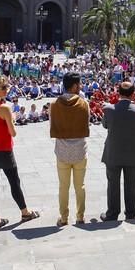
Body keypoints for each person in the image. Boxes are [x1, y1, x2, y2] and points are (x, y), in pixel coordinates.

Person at [0, 75, 39, 230]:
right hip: (4, 151)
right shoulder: (4, 108)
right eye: (4, 87)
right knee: (14, 182)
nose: (7, 89)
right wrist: (11, 119)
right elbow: (13, 133)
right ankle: (25, 212)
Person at [100, 82, 135, 221]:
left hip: (113, 152)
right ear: (133, 93)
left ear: (118, 93)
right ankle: (131, 213)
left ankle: (112, 213)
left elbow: (104, 125)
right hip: (133, 152)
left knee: (112, 184)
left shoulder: (109, 109)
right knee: (132, 184)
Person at [50, 72, 90, 227]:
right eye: (79, 84)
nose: (80, 87)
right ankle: (80, 216)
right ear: (74, 86)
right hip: (80, 151)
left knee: (63, 186)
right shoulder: (83, 103)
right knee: (80, 186)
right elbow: (87, 123)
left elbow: (53, 125)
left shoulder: (54, 104)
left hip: (62, 152)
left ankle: (64, 217)